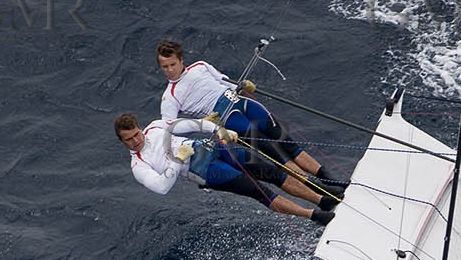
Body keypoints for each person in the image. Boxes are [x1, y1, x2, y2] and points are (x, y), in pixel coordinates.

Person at [155, 39, 347, 210]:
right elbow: (170, 129)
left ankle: (328, 177)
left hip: (245, 104)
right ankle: (322, 191)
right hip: (229, 120)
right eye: (164, 67)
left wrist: (243, 85)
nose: (170, 70)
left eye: (172, 64)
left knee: (289, 144)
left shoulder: (201, 66)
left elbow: (225, 82)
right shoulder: (169, 97)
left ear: (181, 60)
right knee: (277, 155)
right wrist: (200, 124)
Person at [114, 112, 333, 224]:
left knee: (271, 172)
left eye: (136, 134)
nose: (135, 141)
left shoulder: (155, 126)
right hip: (205, 172)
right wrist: (177, 160)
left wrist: (218, 130)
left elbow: (193, 124)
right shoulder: (138, 165)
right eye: (128, 140)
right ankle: (314, 216)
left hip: (213, 148)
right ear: (122, 142)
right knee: (259, 190)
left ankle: (322, 199)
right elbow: (161, 187)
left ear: (140, 128)